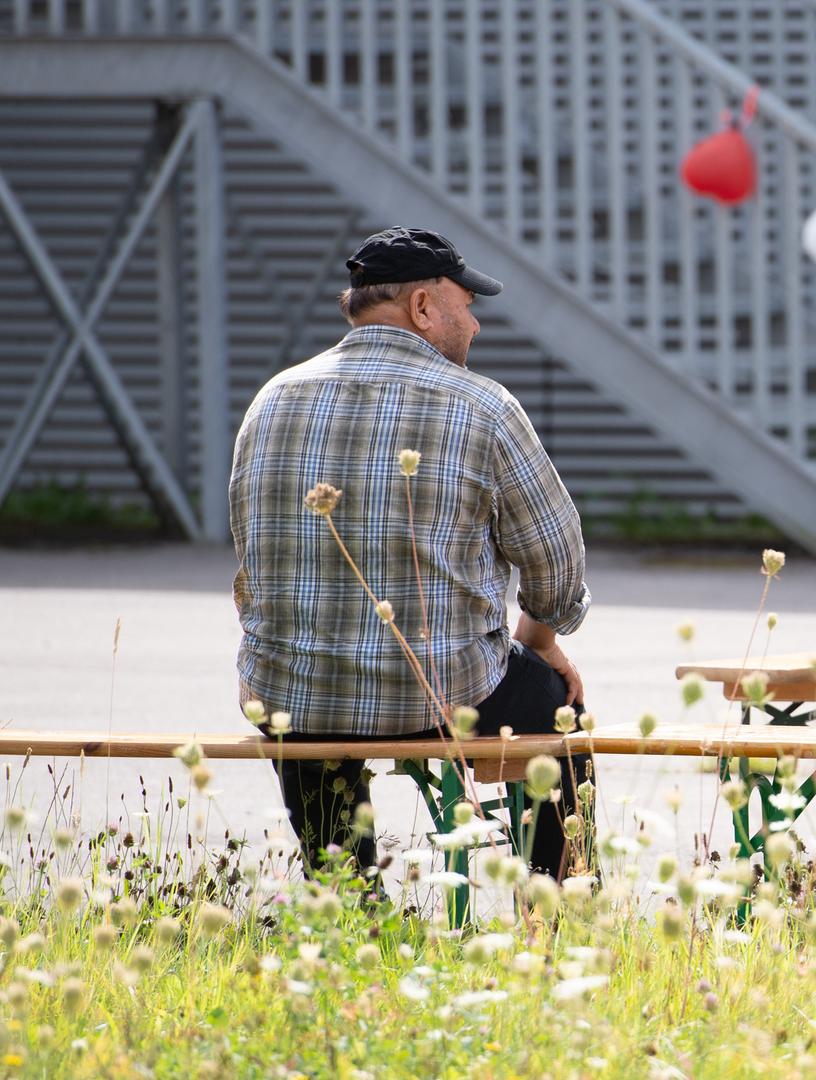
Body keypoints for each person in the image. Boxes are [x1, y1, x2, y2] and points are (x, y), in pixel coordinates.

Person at [228, 226, 592, 882]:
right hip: (447, 695)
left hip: (296, 702)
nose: (475, 325)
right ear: (423, 307)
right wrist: (539, 644)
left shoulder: (271, 399)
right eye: (466, 304)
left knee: (300, 702)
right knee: (553, 701)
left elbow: (252, 571)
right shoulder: (484, 407)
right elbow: (558, 572)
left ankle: (346, 902)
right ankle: (555, 915)